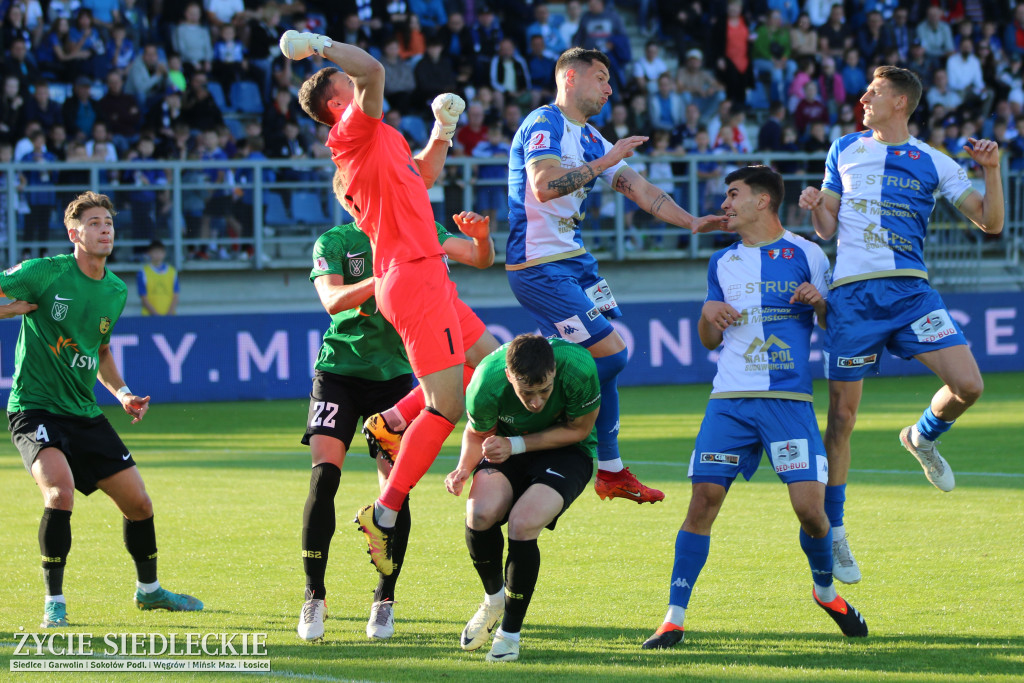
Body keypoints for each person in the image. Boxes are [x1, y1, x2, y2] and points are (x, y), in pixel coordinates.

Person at [642, 166, 868, 650]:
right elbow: (708, 339)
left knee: (811, 511)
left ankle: (825, 592)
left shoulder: (808, 253)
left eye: (733, 194)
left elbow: (839, 327)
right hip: (730, 402)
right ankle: (673, 618)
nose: (724, 203)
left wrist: (820, 303)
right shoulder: (721, 263)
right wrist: (708, 317)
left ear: (763, 201)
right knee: (703, 502)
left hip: (788, 402)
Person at [281, 29, 478, 576]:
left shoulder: (377, 143)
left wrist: (443, 129)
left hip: (423, 272)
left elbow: (424, 177)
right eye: (348, 83)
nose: (360, 83)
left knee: (487, 362)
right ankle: (385, 510)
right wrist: (315, 45)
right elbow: (374, 70)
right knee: (448, 406)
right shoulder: (353, 133)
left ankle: (391, 418)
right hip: (411, 276)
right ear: (339, 103)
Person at [798, 66, 1003, 584]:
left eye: (875, 91)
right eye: (866, 89)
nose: (863, 96)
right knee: (841, 421)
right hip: (852, 298)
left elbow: (991, 223)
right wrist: (815, 207)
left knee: (968, 385)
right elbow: (826, 228)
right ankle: (837, 533)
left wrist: (992, 170)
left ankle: (922, 437)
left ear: (900, 103)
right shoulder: (842, 148)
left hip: (911, 291)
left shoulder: (935, 161)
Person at [506, 47, 727, 504]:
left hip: (575, 263)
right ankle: (529, 412)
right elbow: (544, 187)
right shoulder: (543, 124)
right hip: (538, 265)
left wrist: (689, 221)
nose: (609, 89)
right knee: (613, 355)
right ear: (569, 78)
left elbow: (641, 189)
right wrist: (605, 164)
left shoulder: (589, 138)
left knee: (606, 362)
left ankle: (610, 469)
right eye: (602, 78)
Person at [0, 191, 202, 629]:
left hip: (83, 411)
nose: (104, 228)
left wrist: (123, 392)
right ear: (74, 233)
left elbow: (101, 350)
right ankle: (55, 602)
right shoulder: (44, 273)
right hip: (34, 409)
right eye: (93, 222)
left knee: (140, 504)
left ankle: (149, 593)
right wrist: (8, 310)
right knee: (60, 493)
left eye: (108, 222)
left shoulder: (115, 290)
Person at [298, 211, 496, 642]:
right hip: (338, 372)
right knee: (324, 477)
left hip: (395, 378)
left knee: (395, 486)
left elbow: (480, 259)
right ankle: (314, 594)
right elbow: (332, 301)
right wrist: (387, 276)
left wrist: (482, 239)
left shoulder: (418, 225)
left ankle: (384, 601)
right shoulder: (334, 241)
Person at [445, 334, 601, 663]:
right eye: (526, 393)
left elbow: (580, 430)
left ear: (554, 372)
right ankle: (493, 600)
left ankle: (509, 635)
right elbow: (476, 434)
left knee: (523, 522)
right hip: (507, 448)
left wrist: (516, 444)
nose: (537, 402)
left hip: (566, 451)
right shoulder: (485, 381)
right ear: (508, 376)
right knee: (480, 514)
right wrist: (462, 469)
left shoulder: (578, 366)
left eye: (544, 391)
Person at [137, 240, 178, 316]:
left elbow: (175, 295)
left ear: (164, 253)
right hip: (149, 317)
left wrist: (169, 314)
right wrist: (156, 315)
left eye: (160, 252)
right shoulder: (143, 272)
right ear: (149, 253)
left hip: (170, 316)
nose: (157, 255)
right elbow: (143, 298)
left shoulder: (172, 272)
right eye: (155, 252)